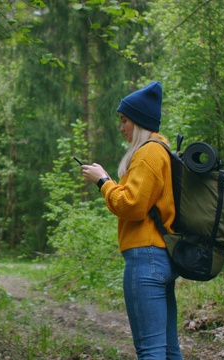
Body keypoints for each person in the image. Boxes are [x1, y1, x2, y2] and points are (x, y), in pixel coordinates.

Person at [81, 81, 182, 359]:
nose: (121, 127)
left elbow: (131, 205)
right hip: (161, 257)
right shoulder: (161, 152)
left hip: (145, 258)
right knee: (169, 351)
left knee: (150, 351)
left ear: (138, 122)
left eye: (124, 121)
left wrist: (103, 181)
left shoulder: (149, 152)